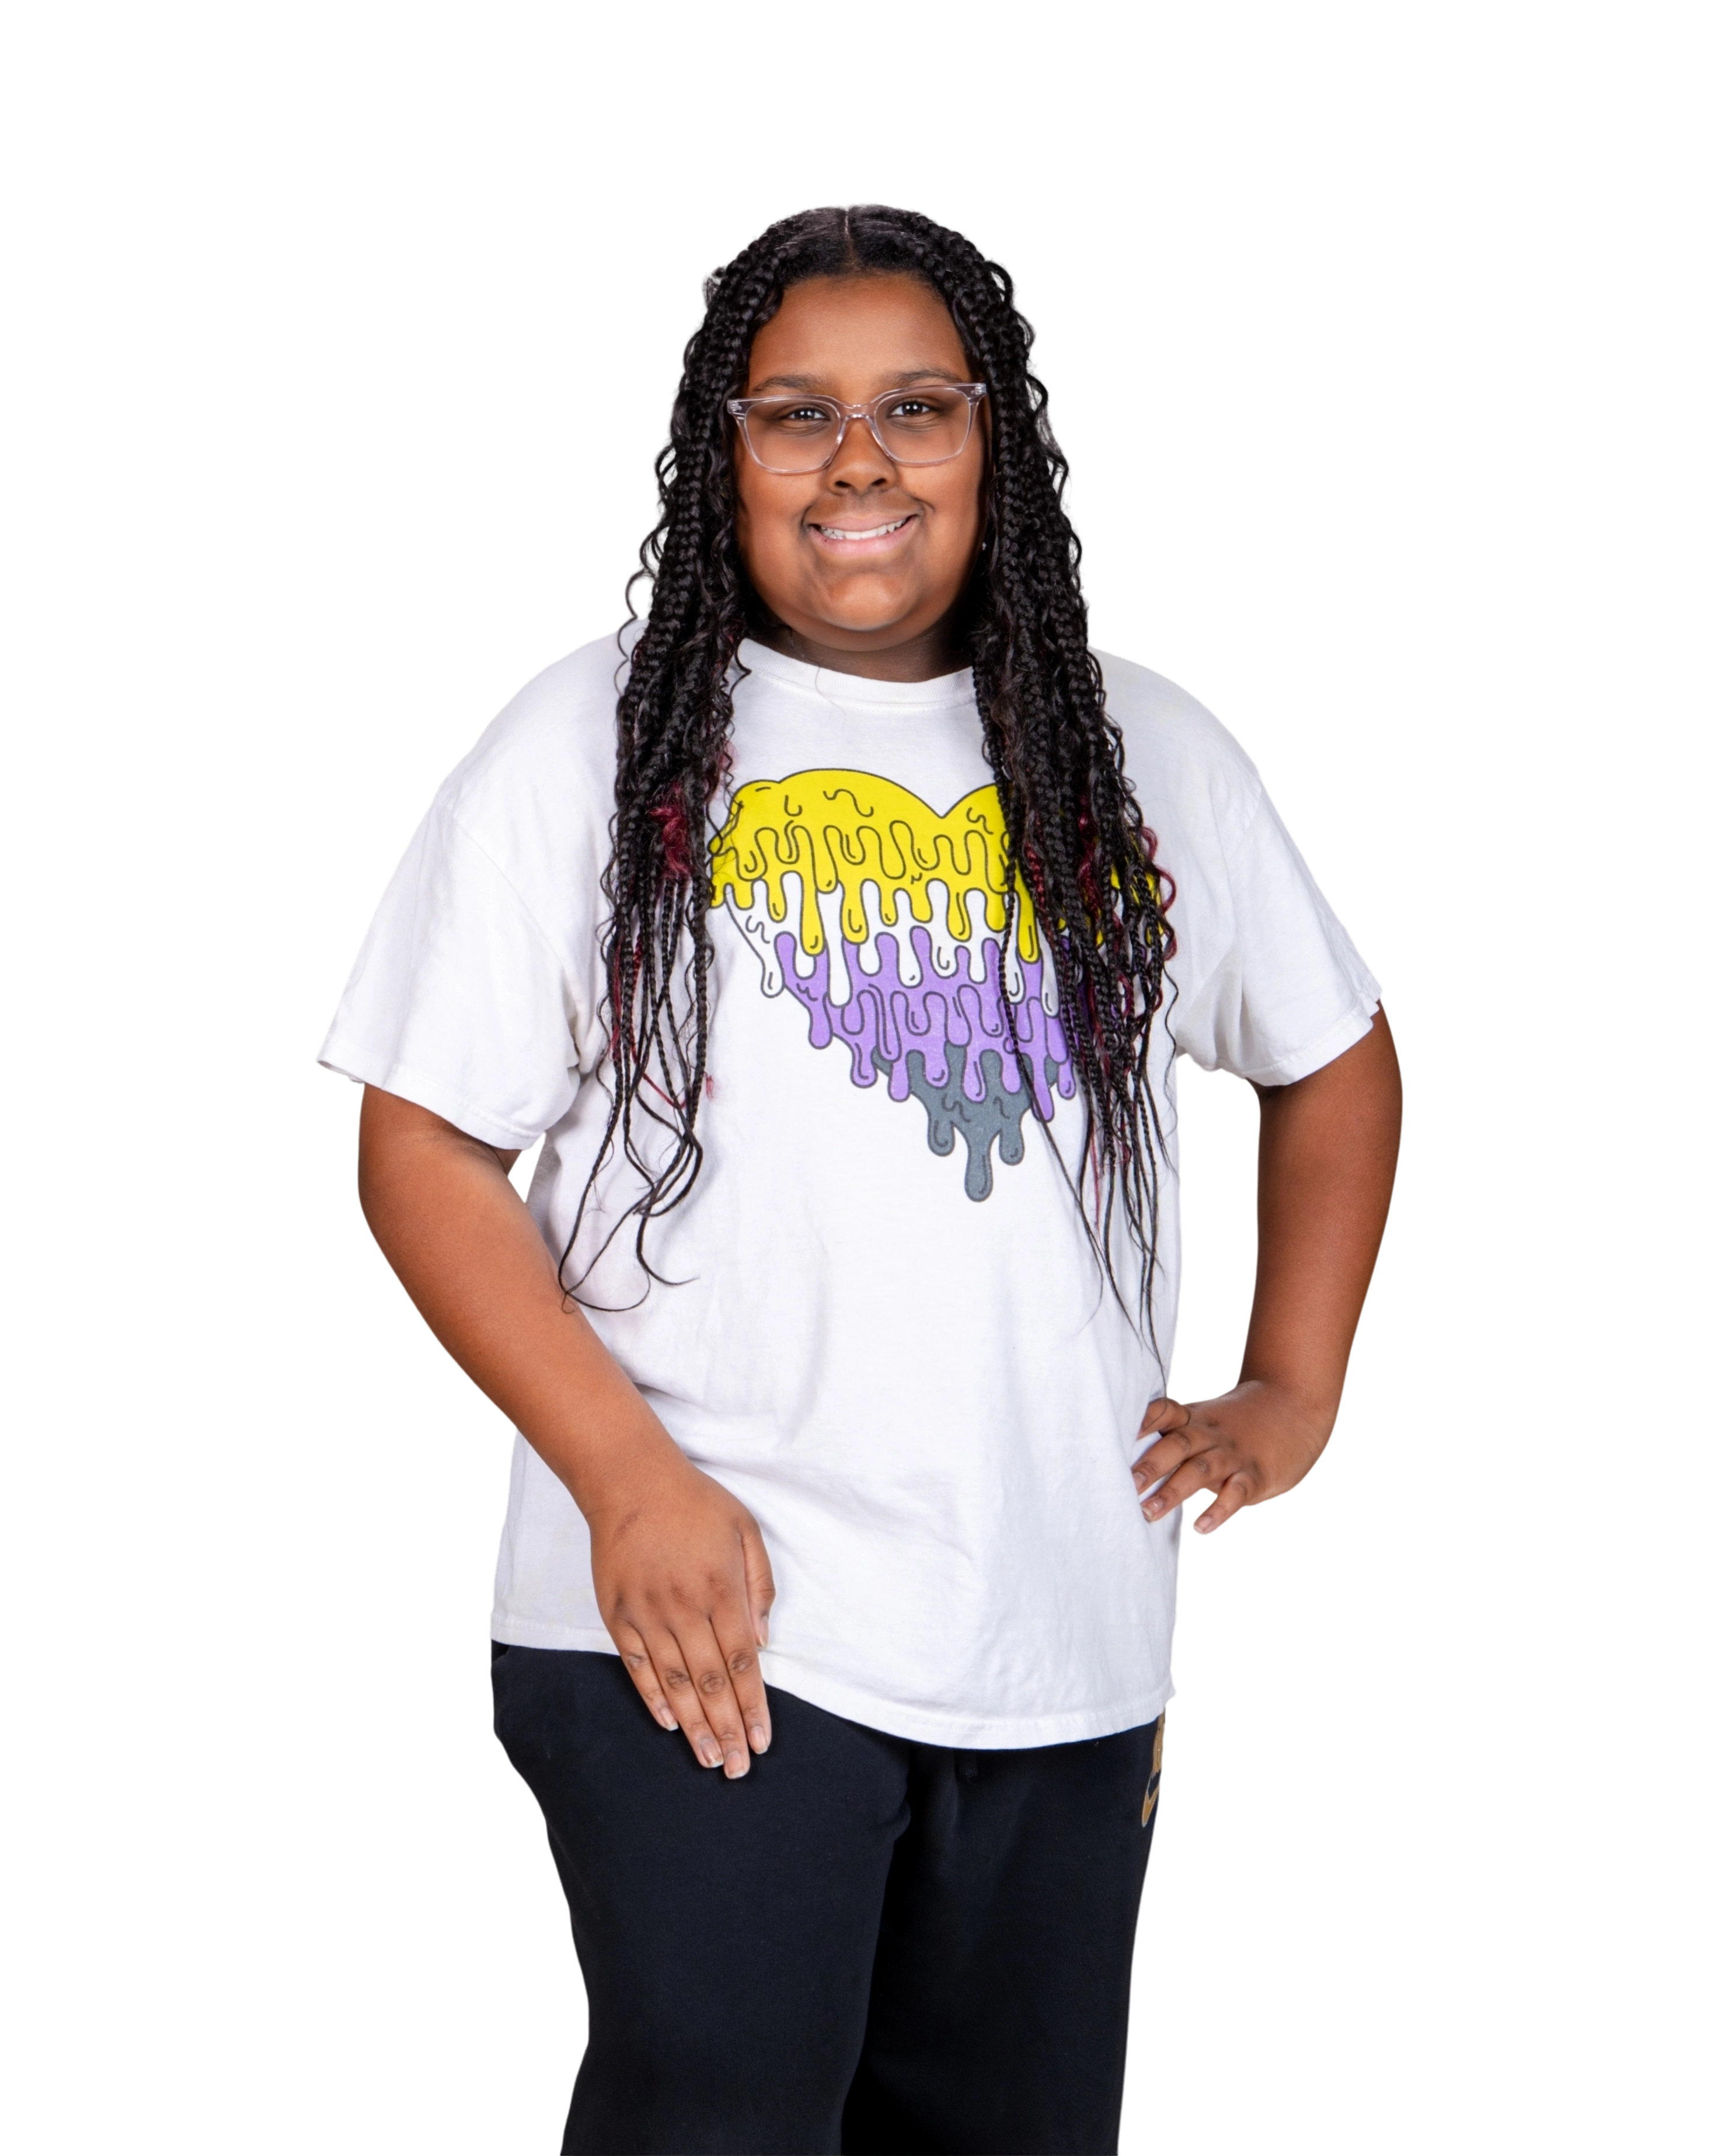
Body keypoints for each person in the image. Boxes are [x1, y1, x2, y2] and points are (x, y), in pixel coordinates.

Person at [316, 200, 1403, 2156]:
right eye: (795, 412)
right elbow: (423, 1139)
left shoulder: (1143, 750)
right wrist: (629, 1480)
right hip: (708, 1621)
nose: (859, 462)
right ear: (719, 451)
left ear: (1000, 441)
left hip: (1057, 1628)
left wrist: (1293, 1386)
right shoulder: (593, 739)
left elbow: (1332, 1056)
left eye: (917, 405)